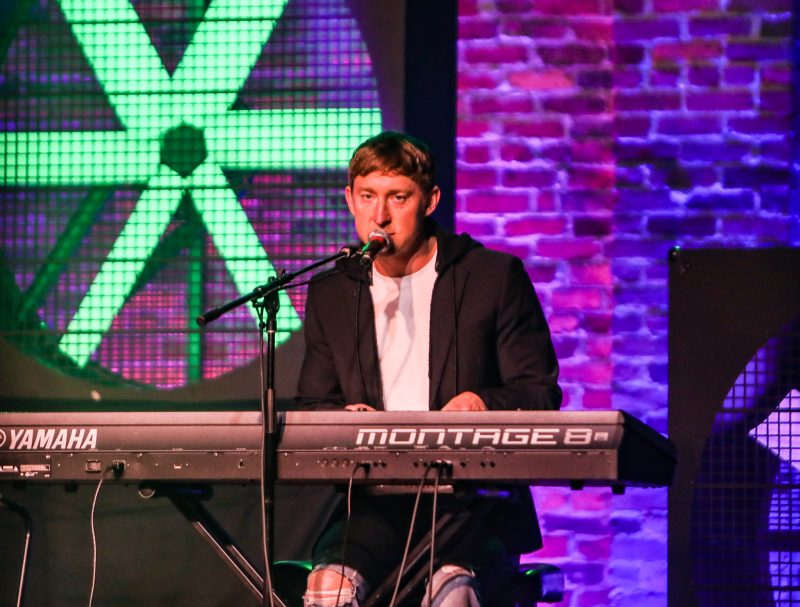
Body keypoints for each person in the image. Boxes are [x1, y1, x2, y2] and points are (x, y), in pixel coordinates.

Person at [296, 131, 562, 607]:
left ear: (430, 200)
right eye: (368, 197)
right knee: (326, 591)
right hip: (374, 502)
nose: (380, 215)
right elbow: (313, 405)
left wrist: (481, 402)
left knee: (452, 592)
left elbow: (539, 392)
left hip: (474, 504)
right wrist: (341, 418)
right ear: (349, 200)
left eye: (398, 198)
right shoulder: (333, 292)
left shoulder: (491, 277)